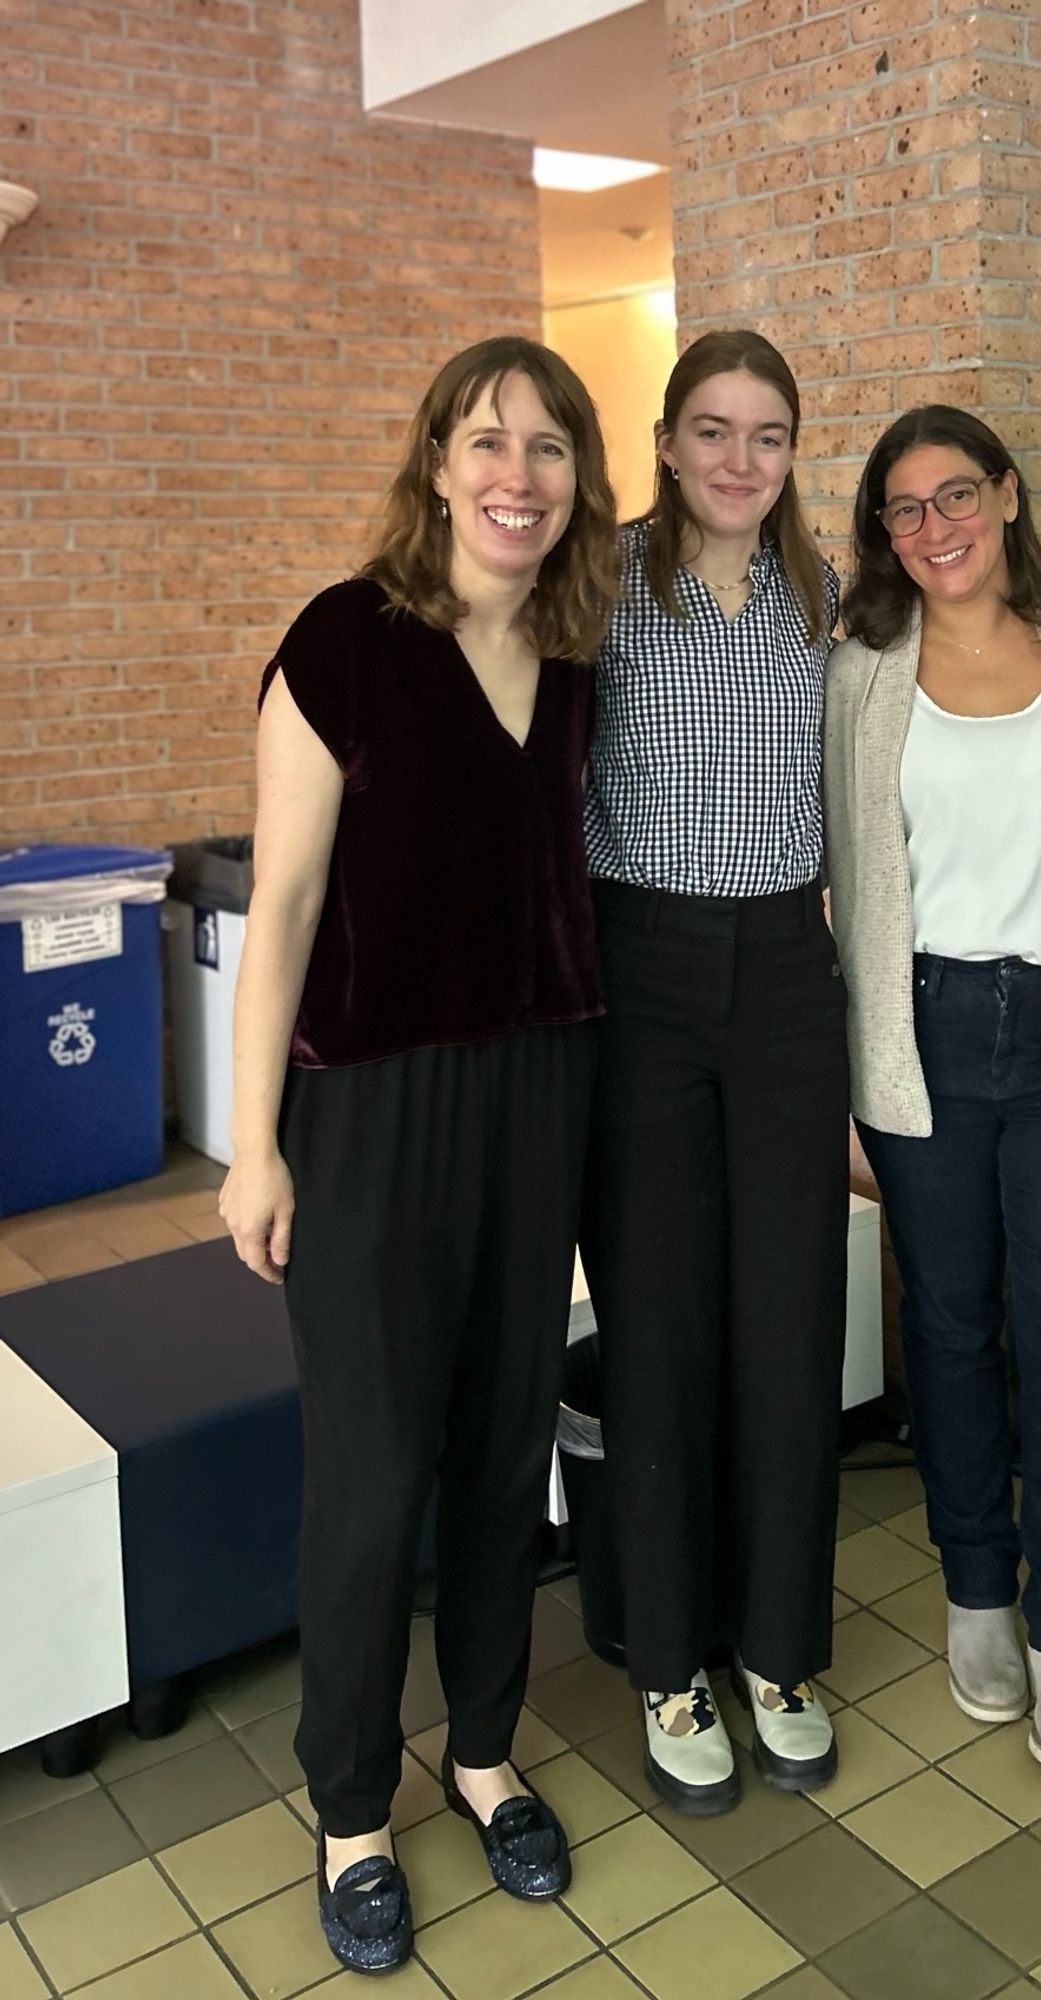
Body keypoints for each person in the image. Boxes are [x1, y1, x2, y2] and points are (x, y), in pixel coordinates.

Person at [218, 336, 618, 1972]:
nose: (516, 475)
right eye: (486, 442)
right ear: (436, 464)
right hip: (371, 1108)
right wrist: (254, 1150)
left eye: (548, 448)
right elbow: (288, 906)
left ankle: (478, 1753)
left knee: (501, 1439)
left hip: (540, 1093)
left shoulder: (582, 653)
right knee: (374, 1476)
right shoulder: (345, 645)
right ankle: (350, 1810)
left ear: (580, 480)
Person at [824, 407, 1041, 1778]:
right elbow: (828, 870)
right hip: (928, 1035)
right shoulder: (855, 669)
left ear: (1007, 496)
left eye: (954, 494)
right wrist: (842, 1078)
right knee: (949, 1330)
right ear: (881, 535)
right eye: (902, 510)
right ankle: (977, 1593)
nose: (934, 528)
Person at [579, 329, 847, 1815]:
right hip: (644, 977)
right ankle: (669, 1660)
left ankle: (776, 1651)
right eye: (712, 431)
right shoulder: (602, 586)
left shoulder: (826, 600)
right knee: (663, 1326)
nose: (740, 461)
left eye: (768, 435)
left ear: (792, 454)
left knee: (789, 1318)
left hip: (787, 974)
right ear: (668, 440)